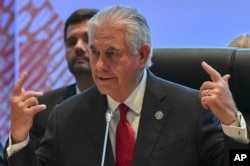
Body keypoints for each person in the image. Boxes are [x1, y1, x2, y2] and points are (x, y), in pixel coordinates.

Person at [4, 5, 250, 166]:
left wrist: (231, 123)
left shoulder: (191, 110)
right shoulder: (66, 116)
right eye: (94, 52)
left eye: (112, 53)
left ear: (142, 55)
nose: (99, 65)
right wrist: (19, 137)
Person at [29, 8, 98, 149]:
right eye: (72, 42)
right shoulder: (43, 108)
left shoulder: (123, 101)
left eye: (87, 39)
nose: (78, 47)